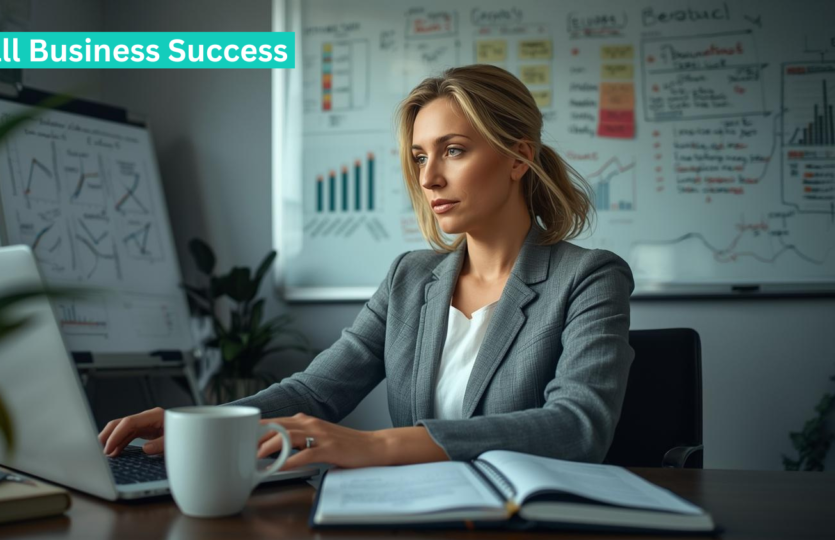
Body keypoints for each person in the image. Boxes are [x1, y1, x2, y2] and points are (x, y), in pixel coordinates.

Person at [100, 64, 634, 471]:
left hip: (534, 534)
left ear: (518, 157)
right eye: (421, 157)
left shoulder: (588, 278)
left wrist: (375, 445)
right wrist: (204, 423)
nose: (429, 180)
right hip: (418, 520)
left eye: (453, 150)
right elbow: (315, 392)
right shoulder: (410, 278)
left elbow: (576, 427)